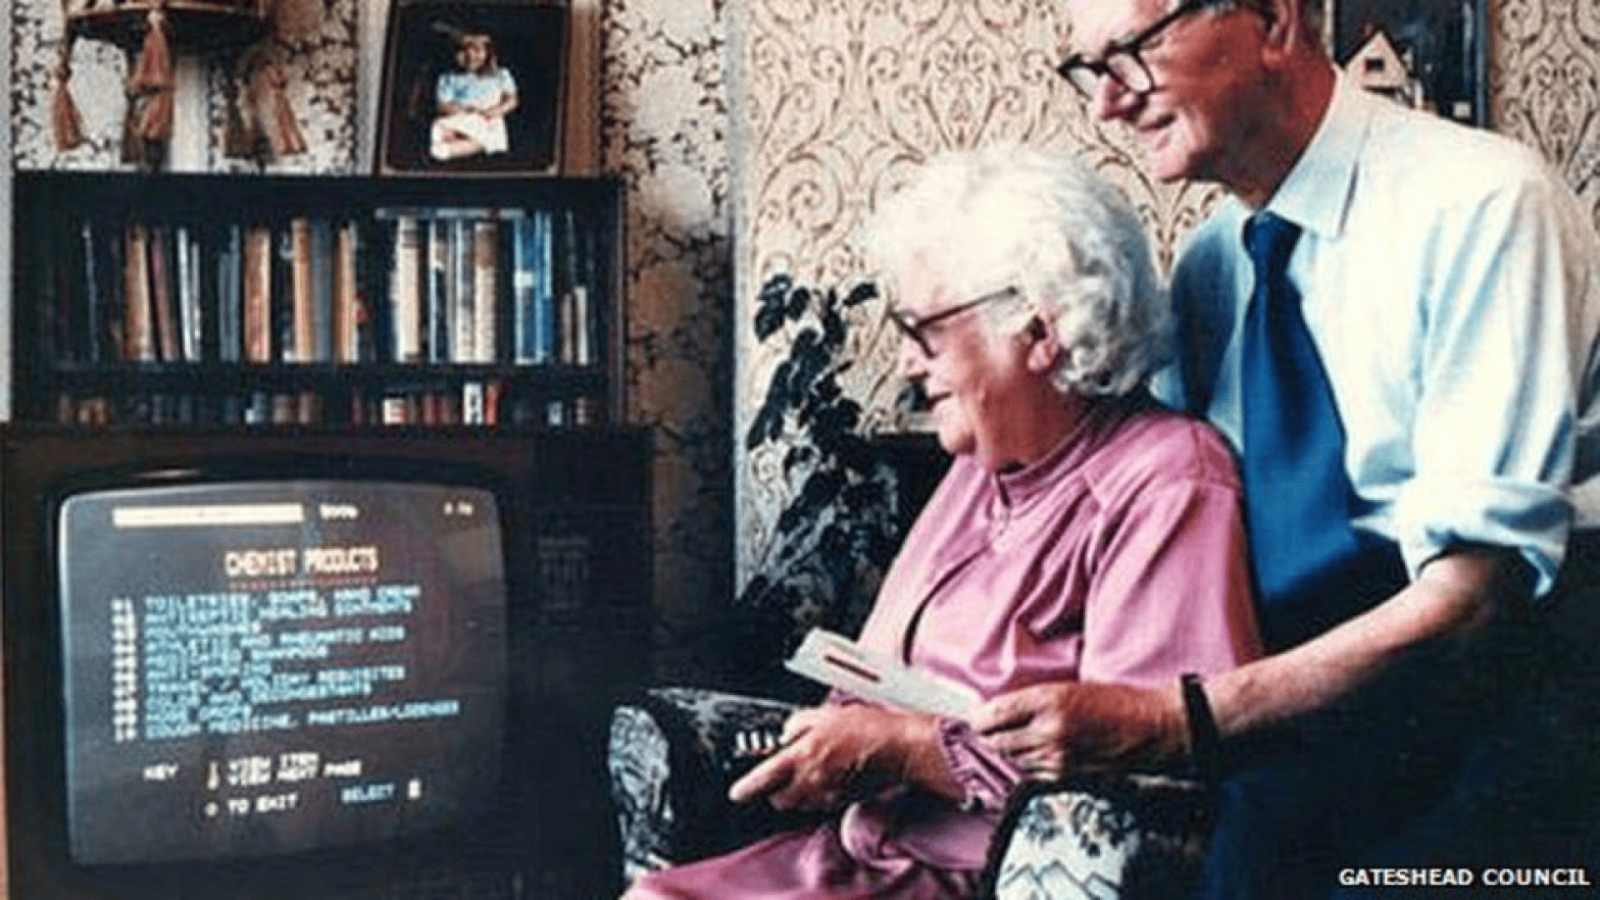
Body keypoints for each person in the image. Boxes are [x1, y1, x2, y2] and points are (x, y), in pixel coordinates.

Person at [975, 0, 1600, 895]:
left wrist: (1175, 721)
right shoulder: (1209, 266)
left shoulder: (1484, 205)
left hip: (1501, 700)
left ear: (1273, 21)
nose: (1107, 102)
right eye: (1088, 69)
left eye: (1132, 52)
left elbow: (1474, 599)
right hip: (1288, 723)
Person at [622, 146, 1263, 898]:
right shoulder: (981, 466)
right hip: (864, 853)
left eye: (922, 331)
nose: (904, 364)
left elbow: (1150, 770)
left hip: (981, 876)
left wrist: (904, 749)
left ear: (1039, 328)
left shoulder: (1166, 480)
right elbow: (874, 674)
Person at [428, 29, 518, 162]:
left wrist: (494, 111)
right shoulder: (449, 77)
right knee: (439, 127)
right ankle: (458, 141)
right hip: (462, 115)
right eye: (464, 51)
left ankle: (453, 149)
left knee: (483, 135)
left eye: (477, 51)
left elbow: (512, 100)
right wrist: (464, 111)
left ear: (488, 53)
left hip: (488, 118)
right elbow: (442, 105)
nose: (470, 56)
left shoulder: (500, 75)